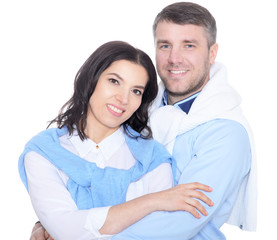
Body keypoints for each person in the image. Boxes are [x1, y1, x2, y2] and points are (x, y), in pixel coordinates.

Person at [29, 2, 257, 239]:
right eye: (165, 45)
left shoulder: (226, 134)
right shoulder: (140, 113)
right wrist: (52, 220)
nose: (174, 58)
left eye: (189, 45)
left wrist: (71, 230)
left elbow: (181, 219)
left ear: (212, 53)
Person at [19, 41, 214, 240]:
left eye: (136, 91)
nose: (123, 99)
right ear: (91, 79)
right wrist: (153, 201)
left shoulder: (153, 159)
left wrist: (73, 226)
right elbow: (66, 229)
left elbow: (158, 235)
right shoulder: (44, 152)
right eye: (114, 81)